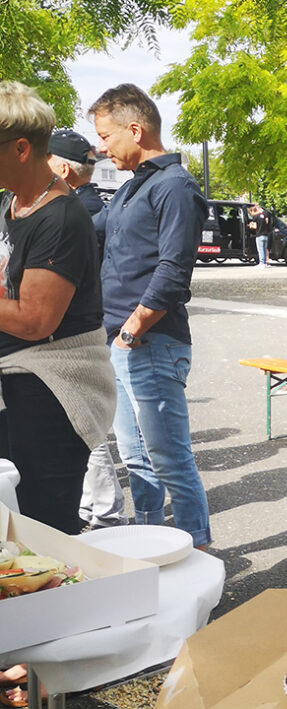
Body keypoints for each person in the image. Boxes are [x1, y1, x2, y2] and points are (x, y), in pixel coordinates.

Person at [89, 84, 212, 549]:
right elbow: (87, 232)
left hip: (150, 342)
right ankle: (148, 545)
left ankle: (197, 551)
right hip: (120, 341)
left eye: (106, 136)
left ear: (135, 130)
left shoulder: (175, 186)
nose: (102, 147)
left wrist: (133, 328)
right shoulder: (131, 188)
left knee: (169, 458)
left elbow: (174, 270)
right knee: (136, 458)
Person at [0, 81, 116, 540]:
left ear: (21, 148)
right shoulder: (12, 203)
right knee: (14, 524)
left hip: (52, 385)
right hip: (19, 378)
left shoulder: (61, 217)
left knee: (43, 530)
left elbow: (34, 320)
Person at [47, 128, 128, 530]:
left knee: (84, 426)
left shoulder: (81, 212)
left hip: (75, 334)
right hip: (84, 329)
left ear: (62, 168)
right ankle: (97, 509)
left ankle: (107, 513)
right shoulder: (89, 207)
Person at [247, 203, 272, 267]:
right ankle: (265, 263)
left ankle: (262, 263)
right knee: (264, 249)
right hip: (266, 235)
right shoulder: (265, 215)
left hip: (259, 235)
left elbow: (254, 226)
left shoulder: (256, 217)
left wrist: (250, 225)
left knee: (260, 250)